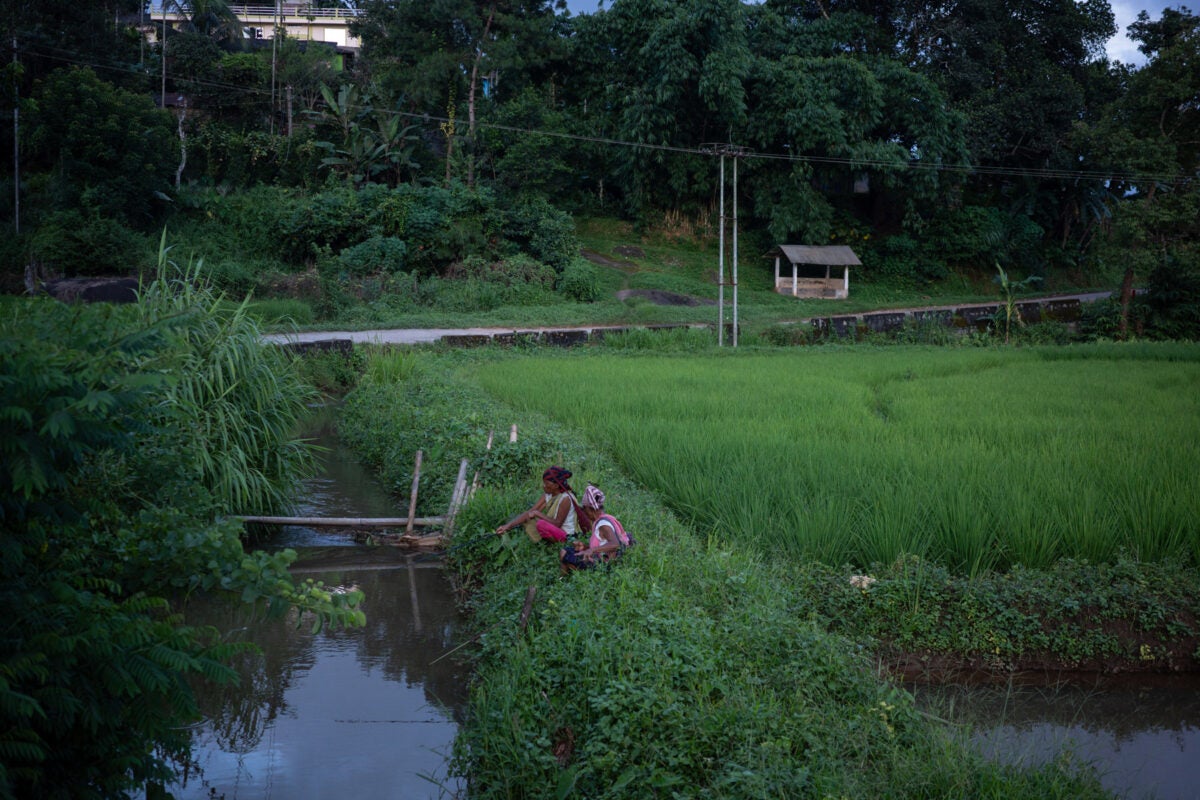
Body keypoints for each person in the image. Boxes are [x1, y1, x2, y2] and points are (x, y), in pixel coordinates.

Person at [495, 466, 580, 543]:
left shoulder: (566, 499)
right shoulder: (548, 495)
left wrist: (538, 514)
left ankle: (553, 544)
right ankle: (545, 540)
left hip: (566, 535)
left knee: (541, 524)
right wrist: (507, 526)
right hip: (555, 529)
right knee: (527, 518)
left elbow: (557, 524)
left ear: (556, 486)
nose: (543, 486)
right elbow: (530, 512)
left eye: (546, 484)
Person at [560, 484, 631, 574]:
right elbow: (604, 543)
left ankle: (562, 580)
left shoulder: (603, 525)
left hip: (604, 565)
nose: (584, 513)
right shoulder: (606, 518)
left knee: (564, 553)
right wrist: (585, 547)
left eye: (584, 509)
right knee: (568, 551)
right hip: (604, 558)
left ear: (591, 510)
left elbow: (615, 544)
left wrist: (591, 550)